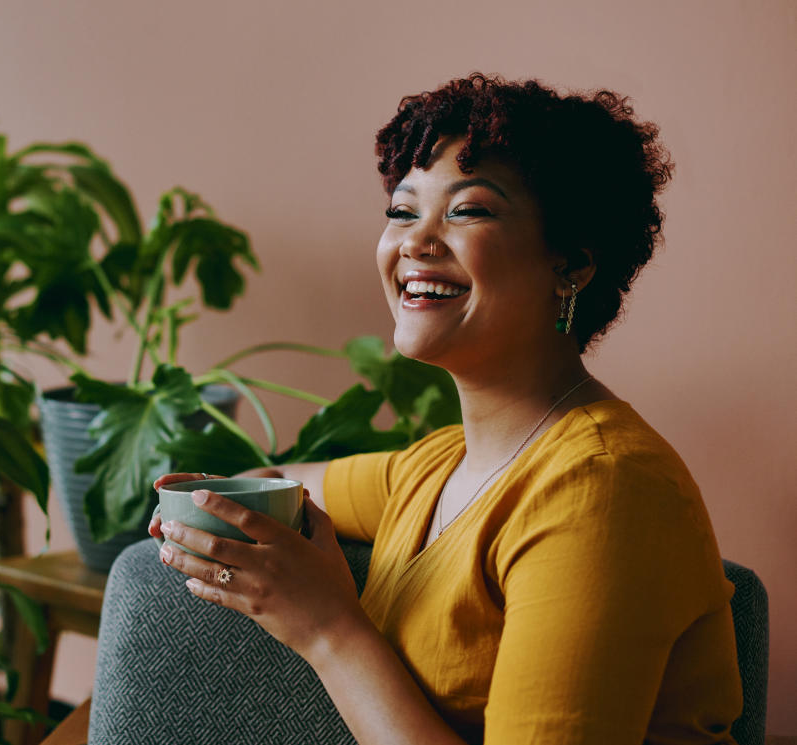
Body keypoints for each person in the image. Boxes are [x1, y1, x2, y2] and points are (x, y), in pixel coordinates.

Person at [147, 74, 742, 744]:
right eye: (402, 212)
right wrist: (205, 503)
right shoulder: (435, 467)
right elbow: (288, 484)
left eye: (469, 211)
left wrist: (327, 629)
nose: (415, 242)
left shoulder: (603, 488)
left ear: (570, 264)